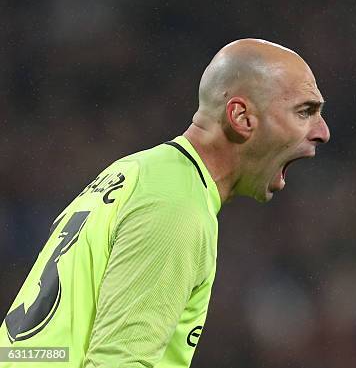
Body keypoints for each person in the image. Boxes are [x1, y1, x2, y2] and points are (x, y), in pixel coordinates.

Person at [0, 38, 330, 368]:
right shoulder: (176, 205)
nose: (322, 131)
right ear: (241, 117)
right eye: (304, 112)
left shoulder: (138, 170)